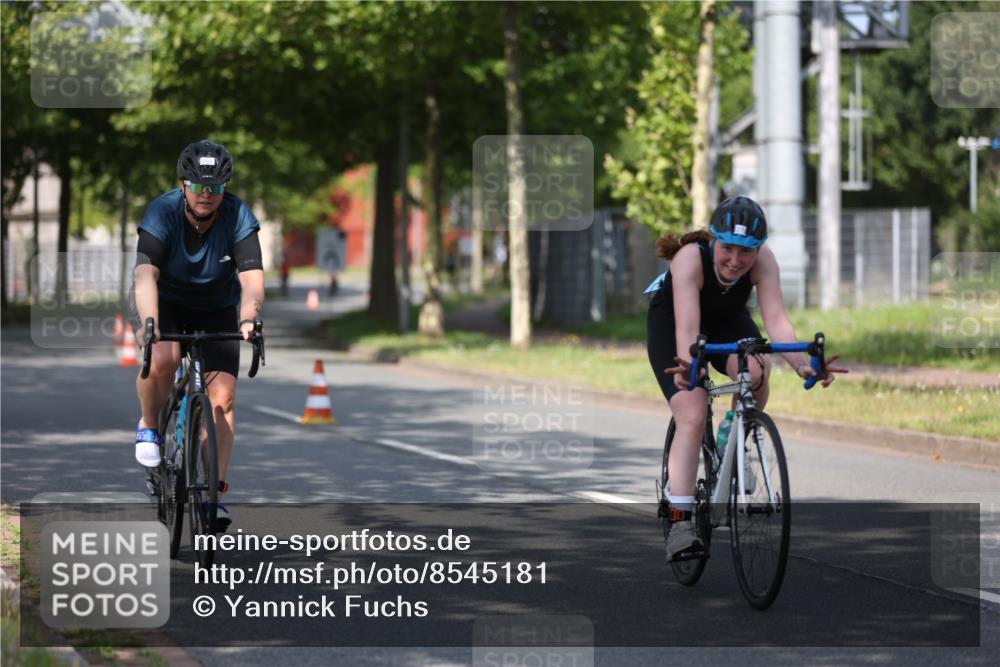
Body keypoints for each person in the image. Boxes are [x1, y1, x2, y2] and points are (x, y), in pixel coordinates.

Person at [646, 196, 846, 561]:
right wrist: (694, 369)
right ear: (714, 241)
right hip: (676, 324)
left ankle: (730, 437)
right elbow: (688, 329)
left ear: (759, 250)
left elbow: (778, 322)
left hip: (725, 320)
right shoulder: (690, 259)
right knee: (691, 414)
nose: (736, 261)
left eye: (747, 252)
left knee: (756, 370)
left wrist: (803, 365)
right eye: (728, 249)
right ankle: (679, 522)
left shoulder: (764, 262)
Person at [131, 139, 265, 527]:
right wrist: (150, 324)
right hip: (164, 299)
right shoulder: (162, 211)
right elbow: (145, 276)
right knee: (164, 358)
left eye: (217, 188)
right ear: (183, 184)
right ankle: (150, 425)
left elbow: (252, 280)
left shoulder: (238, 215)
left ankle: (214, 495)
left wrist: (250, 319)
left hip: (217, 305)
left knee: (222, 397)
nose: (207, 195)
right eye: (198, 186)